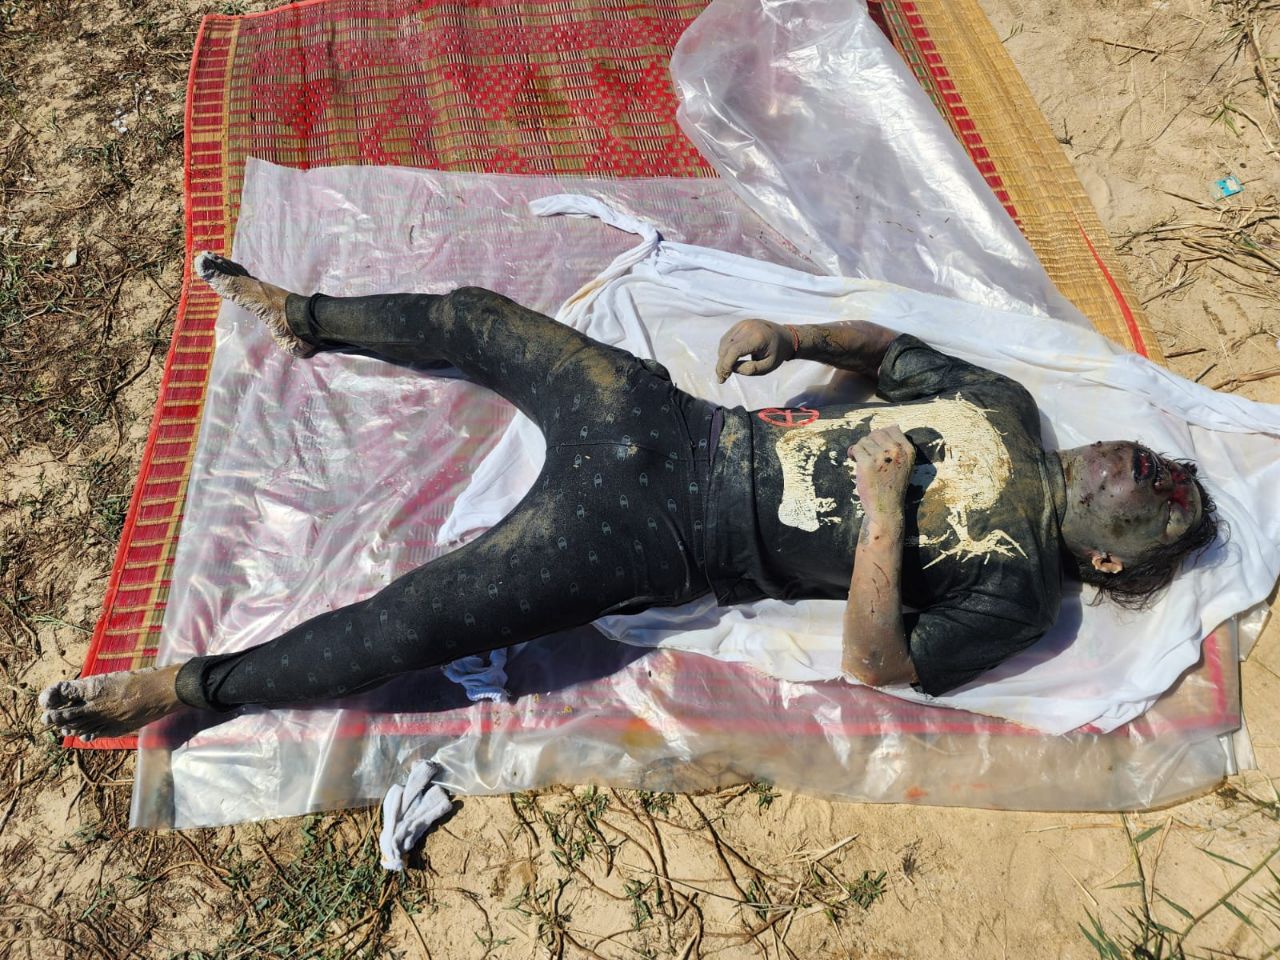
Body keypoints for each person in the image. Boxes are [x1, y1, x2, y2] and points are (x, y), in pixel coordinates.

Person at [40, 253, 1219, 741]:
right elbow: (886, 349)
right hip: (671, 424)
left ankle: (182, 688)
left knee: (408, 625)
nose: (1147, 468)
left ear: (1108, 560)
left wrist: (880, 516)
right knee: (478, 319)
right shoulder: (1007, 407)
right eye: (1158, 461)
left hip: (659, 533)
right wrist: (793, 336)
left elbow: (877, 666)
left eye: (1158, 500)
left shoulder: (1014, 592)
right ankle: (301, 317)